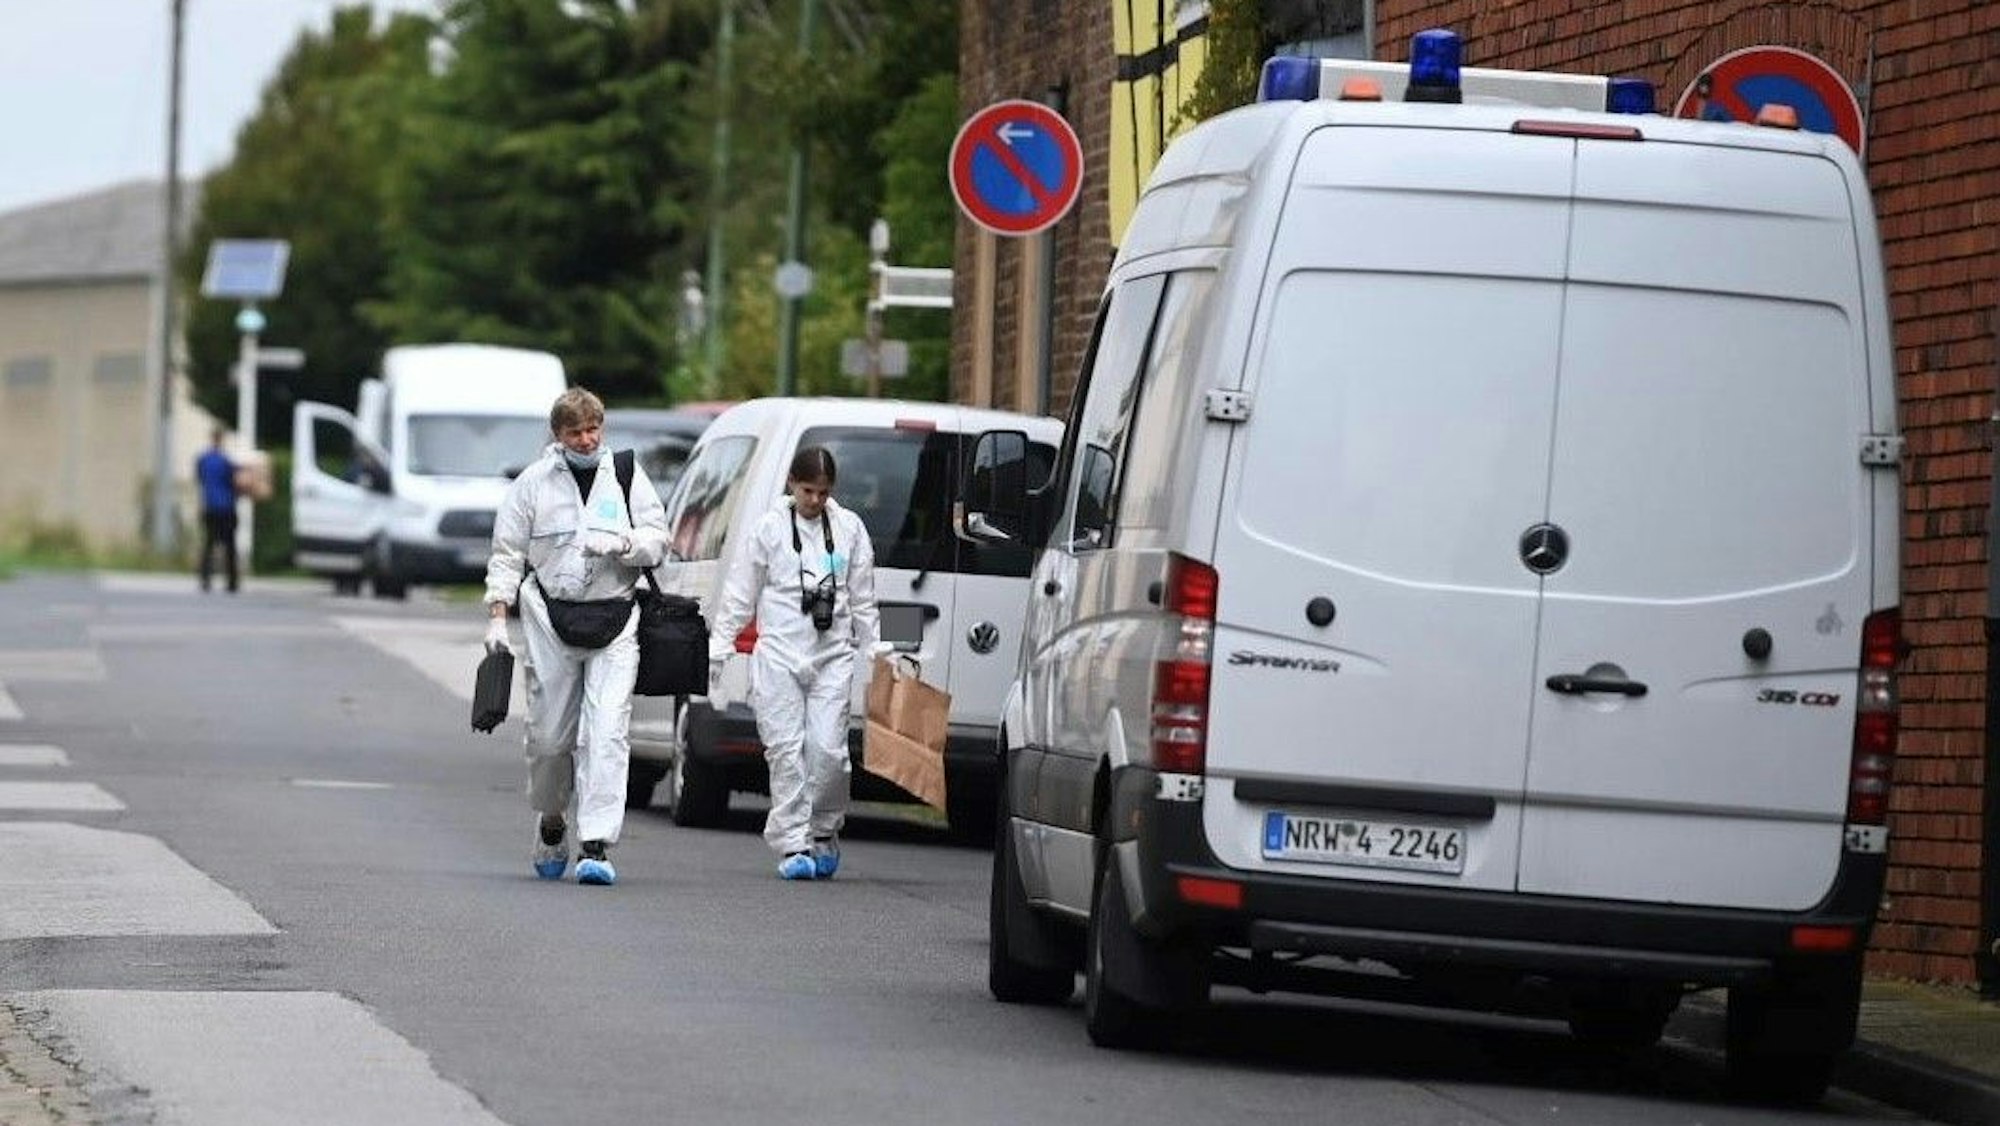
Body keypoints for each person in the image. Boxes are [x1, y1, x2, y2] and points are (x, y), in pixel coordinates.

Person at [483, 388, 668, 887]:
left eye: (593, 430)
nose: (587, 441)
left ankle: (596, 843)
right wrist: (498, 617)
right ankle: (551, 818)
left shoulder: (627, 476)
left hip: (615, 618)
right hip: (550, 617)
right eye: (575, 433)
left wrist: (625, 543)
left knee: (607, 731)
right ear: (558, 435)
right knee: (549, 738)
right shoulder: (533, 485)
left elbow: (658, 538)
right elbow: (506, 553)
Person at [709, 447, 883, 880]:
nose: (815, 500)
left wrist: (875, 649)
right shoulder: (768, 530)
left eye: (824, 493)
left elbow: (863, 597)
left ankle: (824, 828)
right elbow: (739, 594)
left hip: (832, 654)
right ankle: (793, 843)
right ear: (792, 483)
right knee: (785, 752)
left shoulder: (849, 529)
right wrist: (720, 647)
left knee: (828, 751)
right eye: (808, 491)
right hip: (780, 654)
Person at [194, 428, 240, 593]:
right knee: (230, 546)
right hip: (227, 507)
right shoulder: (227, 461)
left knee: (209, 545)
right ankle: (232, 583)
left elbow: (200, 481)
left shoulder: (202, 460)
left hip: (210, 506)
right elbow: (235, 483)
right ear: (221, 440)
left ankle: (205, 580)